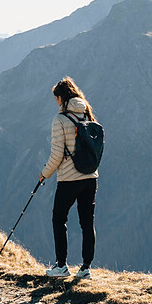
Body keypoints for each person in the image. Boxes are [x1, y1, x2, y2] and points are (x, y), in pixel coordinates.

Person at [39, 77, 99, 278]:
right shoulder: (87, 115)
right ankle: (86, 268)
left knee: (59, 218)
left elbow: (57, 155)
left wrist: (44, 174)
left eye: (56, 98)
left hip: (69, 179)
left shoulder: (60, 120)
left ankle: (61, 266)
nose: (55, 102)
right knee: (87, 222)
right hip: (91, 177)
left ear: (61, 97)